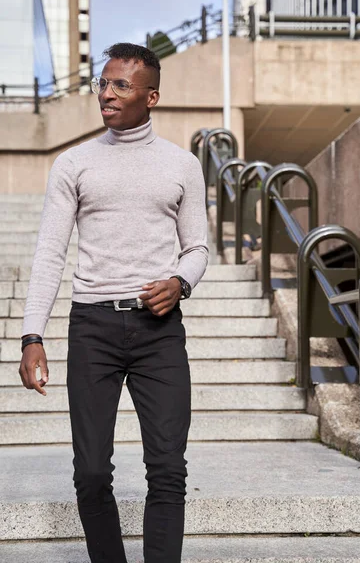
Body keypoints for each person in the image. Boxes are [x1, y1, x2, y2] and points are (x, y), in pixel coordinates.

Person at [18, 43, 209, 563]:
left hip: (159, 332)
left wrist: (180, 280)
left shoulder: (182, 165)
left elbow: (198, 247)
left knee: (168, 468)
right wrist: (32, 335)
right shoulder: (73, 163)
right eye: (102, 83)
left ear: (152, 97)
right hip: (93, 329)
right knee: (92, 472)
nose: (106, 93)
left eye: (120, 85)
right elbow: (50, 253)